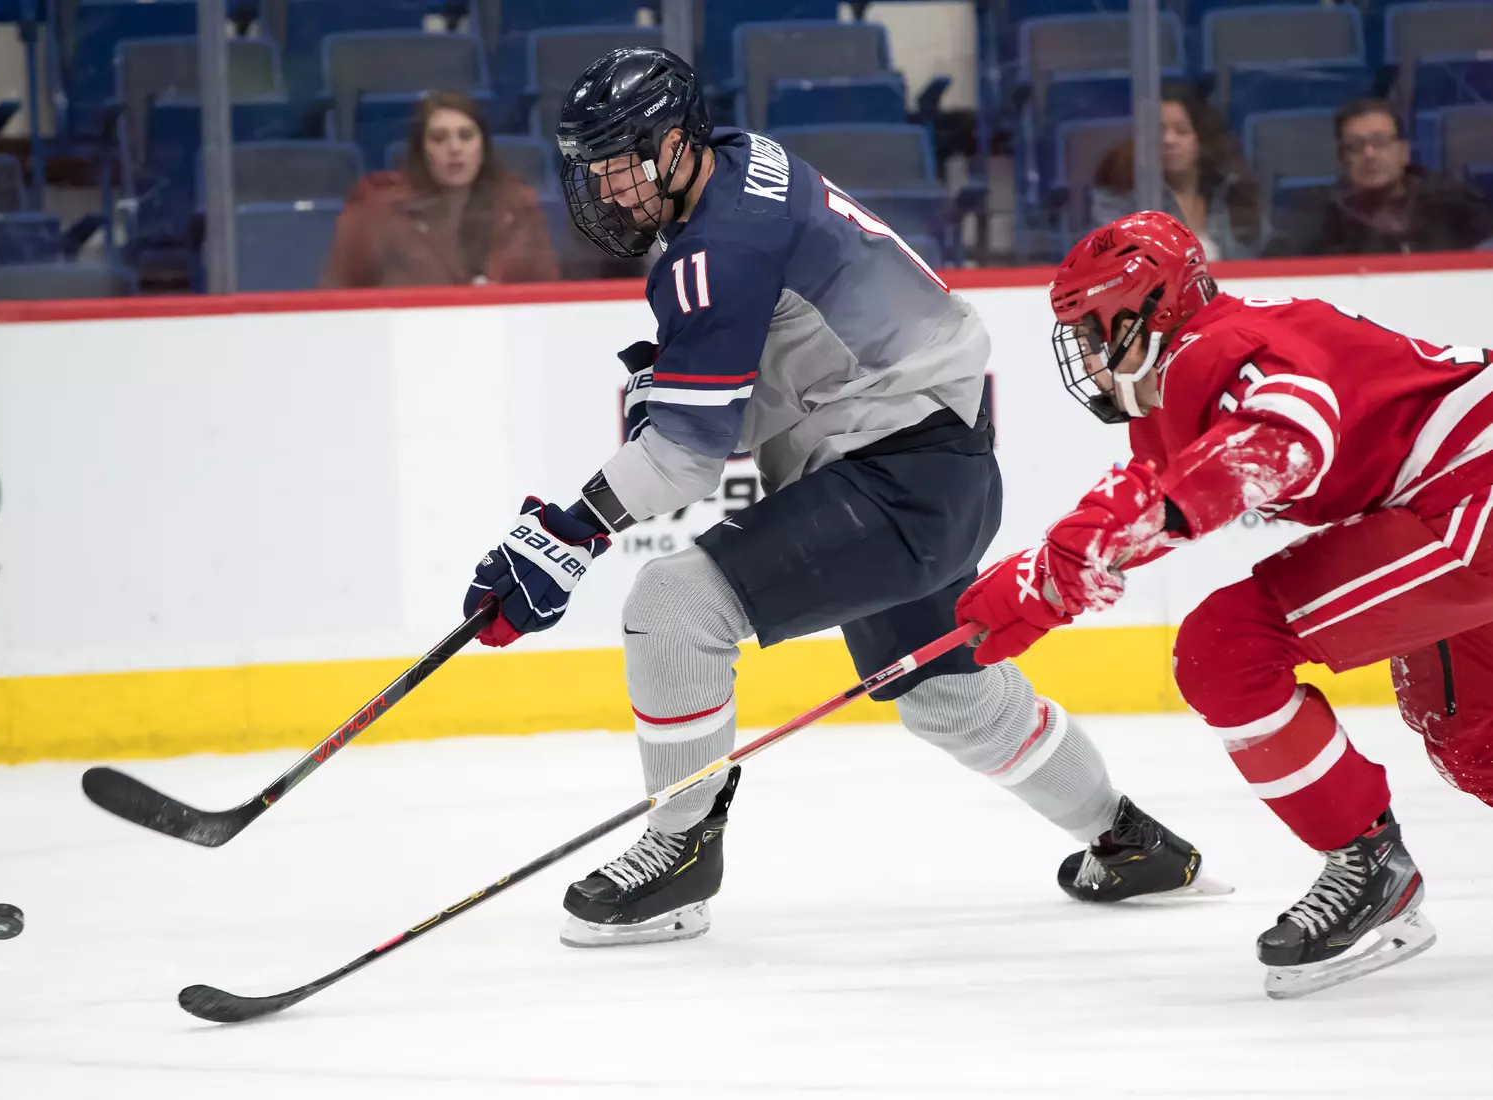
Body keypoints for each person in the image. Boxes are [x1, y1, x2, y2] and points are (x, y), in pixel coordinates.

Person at [459, 47, 1225, 950]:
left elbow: (691, 458)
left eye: (621, 163)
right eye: (592, 169)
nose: (605, 188)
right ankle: (1130, 841)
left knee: (671, 605)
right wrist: (688, 383)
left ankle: (680, 851)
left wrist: (568, 532)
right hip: (933, 462)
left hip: (897, 480)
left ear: (673, 145)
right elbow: (783, 355)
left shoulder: (717, 248)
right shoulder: (739, 162)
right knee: (947, 695)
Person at [955, 209, 1493, 998]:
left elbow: (1291, 436)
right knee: (1475, 741)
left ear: (1146, 311)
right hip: (1451, 494)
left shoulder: (1218, 350)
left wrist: (1086, 553)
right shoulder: (1197, 368)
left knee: (1228, 648)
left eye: (1092, 332)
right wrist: (1048, 573)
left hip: (1471, 496)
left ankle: (1370, 865)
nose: (1089, 358)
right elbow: (1154, 496)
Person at [320, 92, 560, 288]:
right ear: (421, 150)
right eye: (439, 138)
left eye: (466, 136)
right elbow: (337, 297)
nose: (454, 148)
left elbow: (549, 296)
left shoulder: (518, 207)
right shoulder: (378, 213)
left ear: (483, 146)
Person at [1265, 98, 1493, 257]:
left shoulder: (1450, 203)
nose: (1369, 154)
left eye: (1380, 142)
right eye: (1355, 146)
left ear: (1404, 152)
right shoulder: (1320, 218)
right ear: (1342, 158)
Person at [1091, 86, 1263, 260]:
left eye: (1182, 131)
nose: (1169, 140)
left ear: (1202, 139)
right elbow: (1111, 259)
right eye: (1159, 131)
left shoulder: (1229, 192)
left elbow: (1257, 256)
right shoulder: (1119, 198)